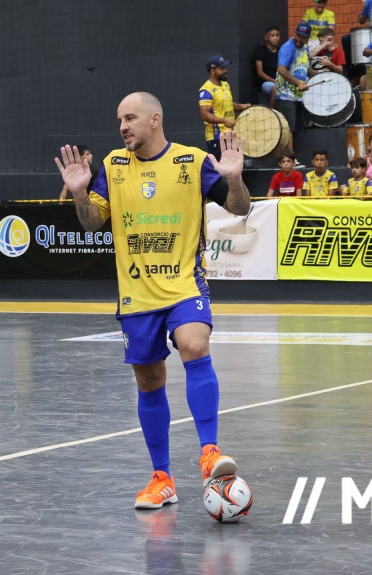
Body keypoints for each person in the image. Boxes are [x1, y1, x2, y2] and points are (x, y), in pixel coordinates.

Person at [55, 92, 251, 511]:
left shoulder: (192, 161)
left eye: (130, 118)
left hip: (184, 285)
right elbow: (92, 223)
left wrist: (235, 179)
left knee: (194, 344)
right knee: (149, 382)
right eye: (119, 120)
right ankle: (162, 479)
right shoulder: (113, 165)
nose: (122, 127)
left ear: (155, 119)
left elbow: (239, 208)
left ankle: (210, 452)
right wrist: (79, 193)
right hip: (137, 293)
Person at [276, 22, 326, 164]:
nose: (299, 39)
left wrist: (319, 74)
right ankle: (289, 160)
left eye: (303, 37)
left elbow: (304, 68)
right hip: (285, 94)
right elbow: (281, 69)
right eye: (298, 35)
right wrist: (298, 82)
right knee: (289, 128)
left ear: (308, 38)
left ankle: (292, 158)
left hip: (297, 96)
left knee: (296, 127)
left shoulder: (304, 49)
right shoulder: (288, 48)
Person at [199, 56, 250, 161]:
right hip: (217, 138)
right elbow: (204, 115)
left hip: (231, 135)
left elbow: (226, 104)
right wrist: (224, 121)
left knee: (237, 166)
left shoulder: (225, 85)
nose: (225, 71)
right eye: (221, 68)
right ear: (213, 71)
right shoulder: (206, 90)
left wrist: (241, 106)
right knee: (224, 168)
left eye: (225, 68)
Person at [253, 26, 281, 100]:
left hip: (281, 81)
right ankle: (272, 108)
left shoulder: (281, 51)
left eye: (277, 35)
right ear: (266, 37)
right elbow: (260, 73)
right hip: (266, 82)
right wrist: (274, 81)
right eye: (272, 36)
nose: (275, 38)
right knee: (275, 89)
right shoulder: (260, 51)